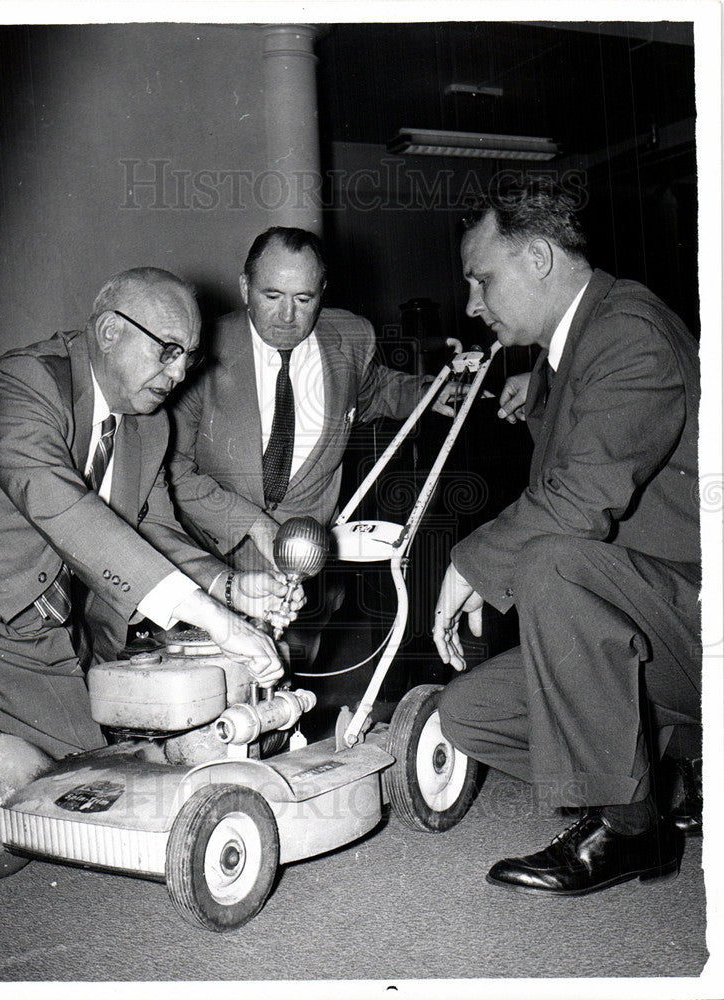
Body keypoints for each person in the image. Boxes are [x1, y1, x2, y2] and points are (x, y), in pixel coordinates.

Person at [432, 184, 701, 896]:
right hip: (660, 629)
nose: (472, 303)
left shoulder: (630, 331)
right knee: (467, 715)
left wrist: (470, 564)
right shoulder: (574, 347)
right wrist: (539, 396)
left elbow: (583, 498)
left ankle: (630, 827)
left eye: (482, 279)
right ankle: (672, 776)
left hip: (701, 621)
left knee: (553, 560)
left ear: (540, 258)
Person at [0, 267, 301, 761]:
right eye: (168, 350)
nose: (179, 374)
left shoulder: (149, 424)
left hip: (67, 625)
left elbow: (151, 524)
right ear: (111, 332)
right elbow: (64, 508)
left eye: (189, 358)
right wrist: (217, 620)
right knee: (88, 780)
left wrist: (230, 588)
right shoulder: (21, 385)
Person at [169, 227, 454, 659]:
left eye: (303, 299)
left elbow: (373, 389)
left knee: (292, 687)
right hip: (210, 556)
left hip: (307, 570)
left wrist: (433, 392)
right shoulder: (200, 351)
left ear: (322, 293)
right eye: (271, 296)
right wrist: (256, 526)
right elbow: (173, 471)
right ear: (245, 287)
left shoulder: (351, 336)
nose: (287, 316)